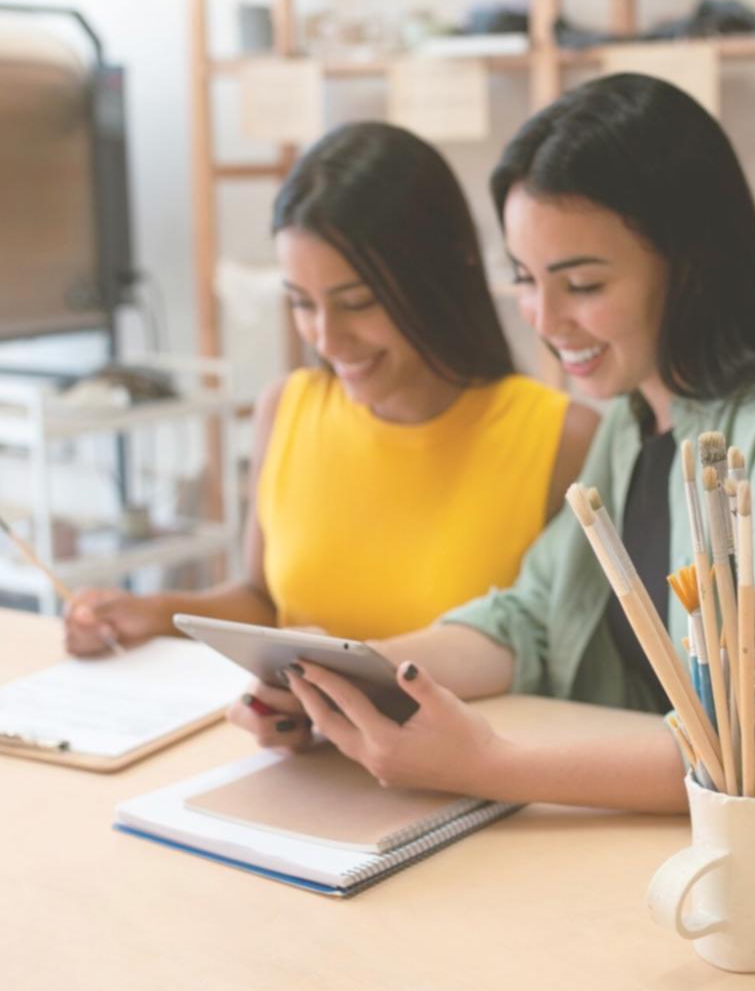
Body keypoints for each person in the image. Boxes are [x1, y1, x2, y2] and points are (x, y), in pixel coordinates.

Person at [230, 76, 755, 813]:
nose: (545, 319)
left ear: (688, 263)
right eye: (525, 280)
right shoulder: (635, 423)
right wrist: (352, 678)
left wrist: (492, 766)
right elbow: (529, 620)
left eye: (581, 285)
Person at [63, 122, 597, 655]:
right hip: (301, 736)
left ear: (438, 279)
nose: (326, 337)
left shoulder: (563, 441)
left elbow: (558, 661)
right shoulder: (287, 408)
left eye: (356, 302)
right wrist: (152, 614)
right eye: (300, 302)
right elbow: (262, 600)